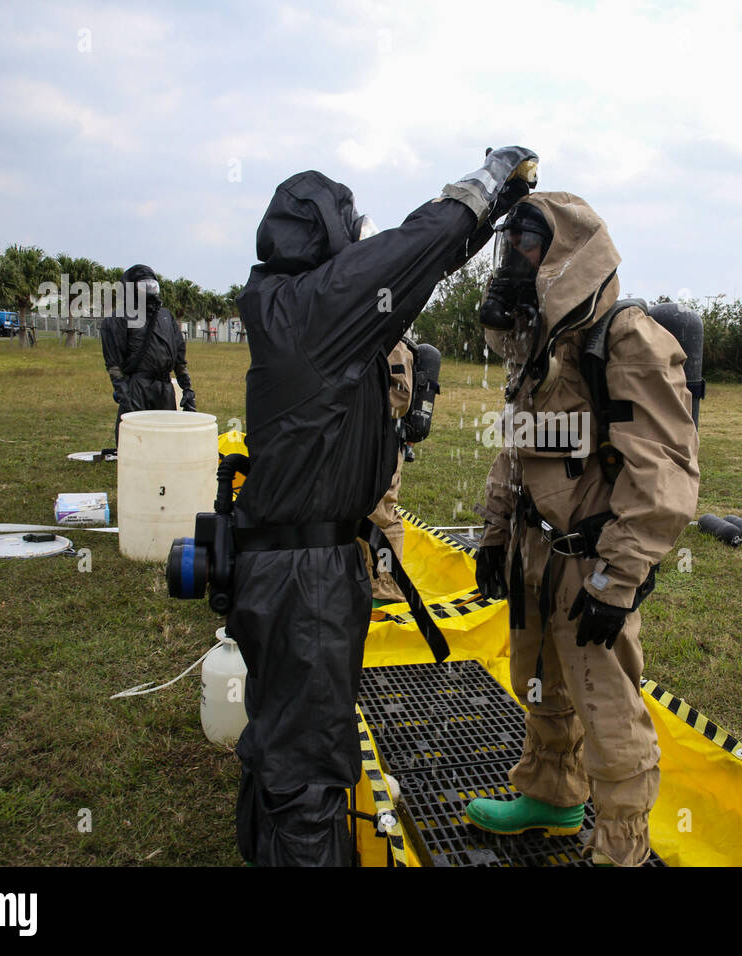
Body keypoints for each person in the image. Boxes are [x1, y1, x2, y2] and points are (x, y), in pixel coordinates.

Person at [229, 147, 539, 867]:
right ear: (329, 237)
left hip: (298, 560)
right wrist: (485, 186)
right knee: (309, 768)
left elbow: (411, 267)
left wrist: (483, 216)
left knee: (284, 742)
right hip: (302, 578)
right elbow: (412, 251)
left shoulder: (296, 305)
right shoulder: (315, 308)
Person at [466, 193, 700, 866]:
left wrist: (618, 580)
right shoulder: (539, 343)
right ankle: (550, 794)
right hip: (537, 549)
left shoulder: (625, 338)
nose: (516, 261)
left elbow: (664, 473)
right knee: (538, 680)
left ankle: (621, 847)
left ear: (568, 255)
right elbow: (517, 447)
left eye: (528, 247)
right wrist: (493, 535)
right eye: (512, 247)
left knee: (605, 707)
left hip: (594, 558)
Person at [100, 265, 196, 446]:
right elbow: (114, 363)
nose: (150, 289)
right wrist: (123, 392)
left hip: (164, 387)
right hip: (137, 386)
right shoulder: (119, 318)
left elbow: (179, 359)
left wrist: (187, 389)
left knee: (166, 438)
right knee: (135, 438)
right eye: (144, 285)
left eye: (152, 285)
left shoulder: (166, 317)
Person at [366, 337, 416, 605]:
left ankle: (386, 587)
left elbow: (401, 399)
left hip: (383, 441)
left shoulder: (392, 343)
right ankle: (363, 576)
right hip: (360, 441)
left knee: (382, 512)